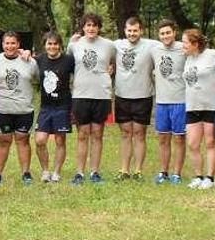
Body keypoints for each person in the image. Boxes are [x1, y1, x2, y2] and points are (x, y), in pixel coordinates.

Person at [67, 13, 116, 185]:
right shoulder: (74, 45)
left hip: (101, 94)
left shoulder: (109, 45)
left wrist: (111, 71)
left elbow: (117, 63)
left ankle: (95, 172)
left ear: (99, 27)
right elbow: (67, 65)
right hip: (81, 94)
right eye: (88, 25)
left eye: (94, 25)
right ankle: (79, 173)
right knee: (82, 134)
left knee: (97, 134)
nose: (91, 28)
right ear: (83, 27)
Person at [0, 32, 39, 185]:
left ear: (18, 45)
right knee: (3, 141)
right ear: (2, 44)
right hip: (3, 108)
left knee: (23, 140)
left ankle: (26, 173)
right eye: (7, 43)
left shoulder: (29, 62)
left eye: (13, 43)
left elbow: (37, 79)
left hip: (24, 108)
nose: (10, 46)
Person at [113, 17, 156, 181]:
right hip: (122, 95)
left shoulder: (151, 45)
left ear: (141, 30)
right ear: (125, 31)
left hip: (143, 96)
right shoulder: (116, 45)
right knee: (125, 133)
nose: (132, 33)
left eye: (135, 30)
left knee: (139, 134)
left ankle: (138, 171)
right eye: (129, 30)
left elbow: (172, 45)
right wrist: (76, 39)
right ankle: (124, 170)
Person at [182, 29, 215, 190]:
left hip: (211, 106)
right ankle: (198, 176)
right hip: (192, 106)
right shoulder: (187, 59)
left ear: (195, 44)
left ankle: (210, 178)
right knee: (192, 143)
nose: (182, 45)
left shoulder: (213, 55)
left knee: (210, 142)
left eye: (185, 42)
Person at [34, 32, 74, 183]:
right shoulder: (39, 59)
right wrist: (23, 52)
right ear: (45, 46)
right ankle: (45, 171)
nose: (52, 47)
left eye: (55, 44)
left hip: (63, 106)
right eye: (49, 44)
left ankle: (56, 172)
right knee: (40, 140)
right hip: (45, 107)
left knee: (59, 140)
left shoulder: (68, 60)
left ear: (60, 45)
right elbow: (24, 59)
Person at [151, 20, 187, 185]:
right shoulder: (155, 49)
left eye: (168, 32)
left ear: (174, 32)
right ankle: (163, 171)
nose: (165, 36)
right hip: (161, 102)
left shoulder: (183, 49)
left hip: (180, 100)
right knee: (163, 138)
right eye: (162, 33)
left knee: (179, 139)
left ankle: (176, 173)